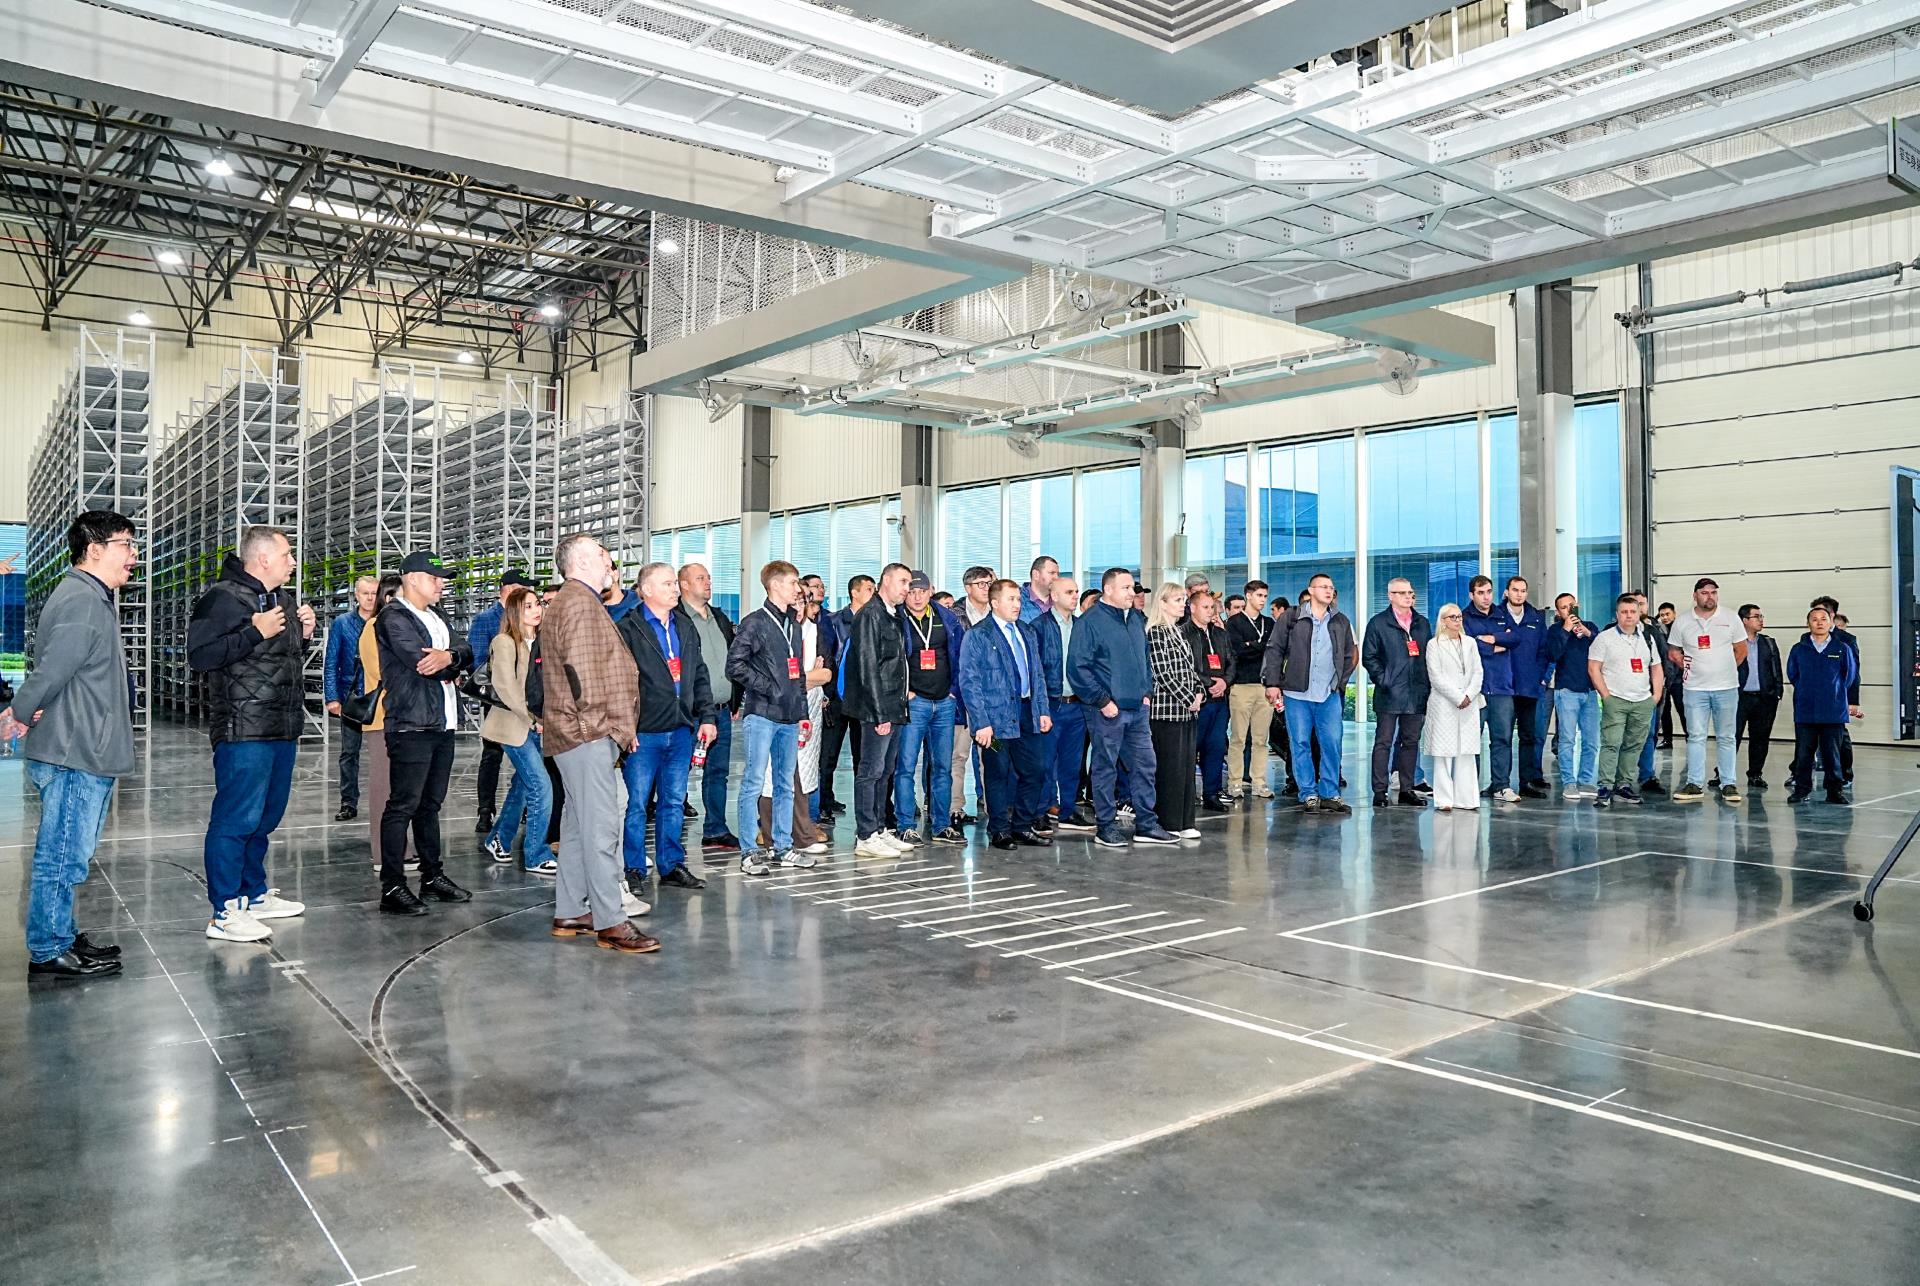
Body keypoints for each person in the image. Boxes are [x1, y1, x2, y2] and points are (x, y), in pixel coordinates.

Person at [3, 511, 139, 977]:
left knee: (69, 853)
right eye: (125, 545)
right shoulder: (83, 600)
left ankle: (60, 932)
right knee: (61, 854)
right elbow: (52, 670)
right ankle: (48, 948)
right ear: (94, 550)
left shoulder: (91, 597)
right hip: (75, 752)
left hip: (83, 747)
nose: (133, 556)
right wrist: (20, 713)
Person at [188, 525, 315, 943]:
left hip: (281, 726)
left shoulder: (283, 599)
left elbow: (275, 661)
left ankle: (253, 894)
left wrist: (303, 635)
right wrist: (253, 632)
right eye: (287, 554)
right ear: (262, 559)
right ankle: (225, 911)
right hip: (244, 729)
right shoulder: (222, 598)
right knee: (236, 819)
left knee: (265, 817)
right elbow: (200, 656)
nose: (292, 562)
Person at [543, 535, 657, 951]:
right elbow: (585, 678)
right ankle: (610, 920)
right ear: (582, 563)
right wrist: (607, 729)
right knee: (601, 829)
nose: (610, 563)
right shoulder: (579, 604)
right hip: (587, 734)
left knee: (578, 825)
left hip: (579, 733)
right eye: (602, 555)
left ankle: (571, 909)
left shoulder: (577, 601)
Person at [370, 551, 475, 916]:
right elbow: (422, 663)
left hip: (442, 723)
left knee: (430, 805)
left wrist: (451, 657)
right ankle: (392, 886)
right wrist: (450, 662)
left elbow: (466, 649)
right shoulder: (393, 618)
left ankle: (432, 876)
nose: (441, 583)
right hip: (411, 724)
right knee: (403, 805)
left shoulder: (437, 614)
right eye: (435, 577)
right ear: (412, 579)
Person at [617, 562, 719, 894]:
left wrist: (707, 717)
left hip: (680, 730)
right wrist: (625, 727)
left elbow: (699, 673)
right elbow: (619, 684)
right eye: (667, 584)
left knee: (673, 801)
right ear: (646, 590)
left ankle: (671, 864)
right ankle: (633, 868)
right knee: (636, 804)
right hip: (643, 733)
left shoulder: (684, 626)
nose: (675, 589)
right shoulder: (628, 628)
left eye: (675, 583)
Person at [1069, 567, 1178, 848]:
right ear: (1108, 590)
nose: (1132, 593)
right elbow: (1078, 668)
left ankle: (1147, 824)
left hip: (1137, 709)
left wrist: (1146, 692)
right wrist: (1103, 701)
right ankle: (1105, 826)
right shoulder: (1090, 622)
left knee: (1145, 765)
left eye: (1133, 588)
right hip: (1106, 711)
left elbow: (1145, 659)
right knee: (1105, 768)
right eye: (1126, 588)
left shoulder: (1136, 619)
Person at [727, 560, 813, 874]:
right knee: (753, 782)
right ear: (775, 585)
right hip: (762, 715)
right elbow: (734, 665)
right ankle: (749, 851)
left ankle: (783, 846)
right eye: (793, 583)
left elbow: (797, 672)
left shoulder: (793, 624)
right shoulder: (754, 623)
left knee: (785, 784)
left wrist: (803, 712)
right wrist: (770, 688)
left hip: (789, 717)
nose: (798, 589)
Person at [961, 578, 1055, 849]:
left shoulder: (1026, 631)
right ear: (994, 603)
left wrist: (1042, 710)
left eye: (1018, 599)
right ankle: (1000, 830)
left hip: (1026, 713)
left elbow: (1037, 674)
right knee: (998, 773)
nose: (1017, 604)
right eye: (1011, 599)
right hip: (995, 721)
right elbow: (969, 682)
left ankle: (1022, 826)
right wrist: (981, 722)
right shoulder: (978, 635)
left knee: (1035, 770)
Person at [1263, 573, 1357, 816]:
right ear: (1311, 590)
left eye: (1331, 587)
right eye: (1324, 586)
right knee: (1300, 743)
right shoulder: (1291, 617)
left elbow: (1349, 654)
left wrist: (1339, 682)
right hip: (1296, 694)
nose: (1329, 590)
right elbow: (1274, 650)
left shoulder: (1341, 621)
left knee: (1332, 743)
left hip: (1328, 694)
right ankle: (1308, 793)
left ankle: (1330, 793)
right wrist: (1273, 683)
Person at [481, 586, 556, 875]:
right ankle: (536, 854)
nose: (537, 610)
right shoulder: (505, 642)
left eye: (538, 604)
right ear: (514, 611)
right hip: (514, 726)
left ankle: (499, 838)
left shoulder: (540, 641)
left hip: (536, 725)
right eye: (528, 606)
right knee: (541, 786)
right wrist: (531, 719)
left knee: (523, 787)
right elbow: (506, 687)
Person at [842, 562, 911, 858]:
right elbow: (867, 666)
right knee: (870, 771)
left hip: (894, 705)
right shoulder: (870, 614)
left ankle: (881, 828)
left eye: (909, 583)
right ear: (886, 580)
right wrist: (880, 713)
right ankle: (866, 834)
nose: (907, 589)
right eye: (903, 582)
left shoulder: (894, 614)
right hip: (877, 709)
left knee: (886, 771)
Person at [893, 570, 966, 845]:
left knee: (942, 768)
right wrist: (904, 692)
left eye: (922, 591)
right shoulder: (897, 619)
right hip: (915, 703)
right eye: (911, 591)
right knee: (906, 766)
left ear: (930, 591)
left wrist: (953, 691)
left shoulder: (946, 618)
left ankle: (941, 825)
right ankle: (905, 825)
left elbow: (958, 655)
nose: (917, 597)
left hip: (944, 702)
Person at [678, 562, 742, 854]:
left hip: (721, 710)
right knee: (679, 772)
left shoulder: (719, 617)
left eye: (709, 578)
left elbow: (733, 659)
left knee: (718, 772)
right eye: (700, 578)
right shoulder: (677, 618)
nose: (708, 582)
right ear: (684, 584)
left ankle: (715, 829)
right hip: (689, 712)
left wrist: (734, 699)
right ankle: (670, 833)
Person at [1667, 576, 1747, 804]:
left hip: (1726, 688)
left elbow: (1741, 650)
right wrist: (1690, 668)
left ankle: (1728, 783)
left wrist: (1723, 669)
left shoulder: (1730, 617)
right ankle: (1694, 783)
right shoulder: (1683, 621)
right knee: (1695, 736)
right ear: (1695, 596)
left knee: (1727, 737)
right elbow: (1673, 651)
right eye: (1704, 593)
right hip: (1694, 689)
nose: (1709, 596)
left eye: (1713, 592)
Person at [467, 570, 536, 835]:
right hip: (497, 703)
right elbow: (476, 660)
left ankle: (523, 808)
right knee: (492, 756)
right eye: (522, 587)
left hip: (527, 704)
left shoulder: (531, 621)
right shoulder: (486, 619)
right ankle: (486, 810)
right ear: (506, 589)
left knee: (528, 759)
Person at [1588, 593, 1664, 809]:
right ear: (1617, 614)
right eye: (1624, 612)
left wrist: (1655, 696)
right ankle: (1605, 786)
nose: (1628, 616)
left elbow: (1656, 667)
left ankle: (1624, 785)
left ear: (1639, 614)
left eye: (1632, 612)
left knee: (1634, 745)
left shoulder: (1648, 638)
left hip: (1642, 701)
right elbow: (1593, 668)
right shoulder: (1604, 638)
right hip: (1616, 700)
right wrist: (1606, 696)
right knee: (1611, 743)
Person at [1362, 577, 1430, 807]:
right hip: (1389, 694)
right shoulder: (1378, 623)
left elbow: (1428, 656)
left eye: (1411, 593)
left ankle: (1406, 789)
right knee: (1384, 742)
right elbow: (1369, 657)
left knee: (1410, 742)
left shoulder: (1422, 623)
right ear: (1390, 596)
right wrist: (1384, 680)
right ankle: (1380, 791)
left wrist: (1425, 686)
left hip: (1416, 693)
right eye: (1402, 593)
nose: (1408, 597)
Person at [1145, 583, 1205, 839]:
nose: (1183, 604)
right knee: (1170, 769)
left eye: (1183, 600)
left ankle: (1184, 821)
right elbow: (1162, 673)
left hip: (1187, 712)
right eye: (1178, 600)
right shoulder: (1156, 633)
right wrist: (1188, 697)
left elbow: (1191, 670)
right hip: (1166, 712)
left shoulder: (1178, 632)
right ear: (1163, 603)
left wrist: (1199, 692)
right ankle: (1168, 821)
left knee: (1186, 768)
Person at [1032, 575, 1089, 829]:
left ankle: (1068, 810)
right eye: (1069, 592)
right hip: (1051, 704)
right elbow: (1035, 670)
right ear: (1054, 596)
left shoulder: (1081, 626)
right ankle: (1041, 811)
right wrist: (1040, 706)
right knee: (1044, 763)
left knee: (1072, 762)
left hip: (1077, 704)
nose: (1075, 596)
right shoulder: (1039, 626)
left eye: (1076, 591)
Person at [1786, 605, 1858, 804]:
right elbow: (1793, 674)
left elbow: (1849, 676)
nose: (1819, 623)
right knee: (1803, 754)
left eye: (1823, 619)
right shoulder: (1798, 649)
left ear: (1831, 622)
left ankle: (1834, 791)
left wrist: (1833, 692)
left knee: (1832, 754)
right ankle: (1801, 790)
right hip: (1805, 710)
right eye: (1814, 619)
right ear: (1808, 623)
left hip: (1833, 710)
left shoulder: (1842, 648)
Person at [357, 573, 406, 866]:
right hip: (382, 720)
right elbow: (381, 672)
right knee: (383, 788)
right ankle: (383, 853)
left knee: (404, 789)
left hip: (404, 717)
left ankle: (404, 848)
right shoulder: (373, 628)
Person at [819, 572, 876, 818]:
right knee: (828, 754)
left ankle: (866, 810)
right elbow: (828, 656)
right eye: (869, 589)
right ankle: (822, 803)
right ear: (855, 592)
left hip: (863, 699)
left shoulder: (875, 621)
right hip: (837, 697)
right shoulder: (833, 621)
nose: (873, 593)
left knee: (862, 757)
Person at [1459, 575, 1520, 804]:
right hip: (1476, 689)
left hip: (1502, 687)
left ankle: (1501, 786)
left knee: (1503, 738)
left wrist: (1491, 638)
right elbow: (1468, 646)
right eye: (1481, 593)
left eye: (1489, 592)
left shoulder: (1502, 614)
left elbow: (1516, 638)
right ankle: (1469, 788)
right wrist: (1497, 645)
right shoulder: (1464, 617)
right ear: (1471, 595)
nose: (1486, 597)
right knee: (1471, 741)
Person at [322, 574, 378, 821]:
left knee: (384, 752)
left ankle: (386, 800)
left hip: (380, 695)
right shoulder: (342, 623)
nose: (370, 598)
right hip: (352, 696)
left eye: (374, 593)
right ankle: (348, 802)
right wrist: (332, 697)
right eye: (365, 593)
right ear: (356, 595)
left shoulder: (384, 621)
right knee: (349, 752)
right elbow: (331, 662)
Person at [1423, 604, 1483, 812]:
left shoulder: (1470, 643)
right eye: (1452, 617)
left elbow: (1478, 672)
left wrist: (1469, 695)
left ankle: (1466, 799)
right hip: (1444, 703)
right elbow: (1436, 676)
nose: (1457, 620)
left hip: (1469, 703)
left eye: (1459, 617)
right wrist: (1457, 697)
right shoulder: (1434, 644)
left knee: (1466, 751)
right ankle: (1444, 799)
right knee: (1443, 753)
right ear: (1443, 621)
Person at [949, 565, 996, 826]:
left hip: (992, 700)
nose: (986, 588)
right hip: (962, 699)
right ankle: (955, 808)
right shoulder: (953, 616)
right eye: (981, 584)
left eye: (989, 583)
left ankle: (995, 807)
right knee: (958, 756)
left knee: (992, 756)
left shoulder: (997, 613)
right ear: (968, 587)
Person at [1544, 593, 1600, 799]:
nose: (1569, 610)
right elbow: (1553, 654)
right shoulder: (1555, 630)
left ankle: (1586, 780)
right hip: (1566, 691)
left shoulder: (1590, 627)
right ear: (1558, 612)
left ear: (1578, 605)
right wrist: (1566, 630)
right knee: (1567, 740)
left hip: (1589, 691)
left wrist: (1587, 633)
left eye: (1571, 605)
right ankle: (1569, 782)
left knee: (1591, 740)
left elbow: (1602, 647)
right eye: (1564, 607)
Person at [1501, 577, 1552, 798]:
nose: (1519, 594)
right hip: (1503, 688)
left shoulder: (1536, 618)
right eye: (1515, 590)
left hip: (1529, 687)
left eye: (1523, 590)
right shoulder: (1496, 615)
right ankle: (1500, 784)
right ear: (1507, 592)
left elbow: (1544, 651)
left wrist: (1541, 678)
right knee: (1501, 738)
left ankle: (1527, 782)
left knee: (1528, 736)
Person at [1225, 579, 1275, 799]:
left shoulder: (1269, 623)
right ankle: (1235, 781)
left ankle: (1259, 781)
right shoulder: (1234, 623)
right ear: (1248, 595)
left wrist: (1251, 644)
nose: (1262, 600)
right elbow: (1237, 651)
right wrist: (1259, 646)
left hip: (1264, 685)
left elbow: (1273, 650)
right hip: (1241, 685)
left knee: (1260, 739)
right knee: (1238, 737)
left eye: (1265, 596)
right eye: (1259, 595)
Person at [1184, 589, 1233, 811]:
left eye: (1212, 607)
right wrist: (1209, 683)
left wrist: (1225, 682)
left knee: (1215, 747)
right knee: (1191, 747)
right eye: (1205, 607)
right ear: (1192, 608)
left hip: (1220, 701)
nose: (1210, 611)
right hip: (1197, 701)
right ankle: (1186, 794)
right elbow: (1186, 667)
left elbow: (1232, 661)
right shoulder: (1183, 633)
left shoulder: (1220, 634)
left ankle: (1212, 793)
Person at [1811, 595, 1861, 785]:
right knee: (1808, 735)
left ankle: (1845, 774)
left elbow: (1853, 672)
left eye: (1821, 613)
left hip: (1837, 696)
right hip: (1814, 696)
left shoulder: (1846, 640)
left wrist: (1852, 701)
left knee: (1840, 736)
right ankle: (1801, 774)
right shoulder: (1807, 638)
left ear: (1831, 615)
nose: (1817, 618)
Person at [1735, 603, 1784, 791]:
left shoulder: (1768, 643)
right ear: (1744, 620)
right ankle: (1722, 773)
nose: (1761, 620)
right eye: (1756, 616)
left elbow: (1776, 669)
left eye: (1761, 616)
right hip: (1739, 697)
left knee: (1760, 738)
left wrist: (1777, 692)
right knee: (1732, 737)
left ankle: (1755, 774)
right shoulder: (1734, 643)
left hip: (1764, 699)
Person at [1630, 591, 1670, 795]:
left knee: (1649, 735)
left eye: (1642, 604)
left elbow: (1663, 661)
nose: (1638, 608)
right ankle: (1619, 777)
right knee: (1621, 737)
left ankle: (1647, 775)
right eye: (1634, 603)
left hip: (1649, 694)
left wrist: (1659, 691)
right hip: (1622, 694)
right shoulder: (1611, 631)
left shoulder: (1653, 632)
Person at [1655, 601, 1686, 747]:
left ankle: (1690, 737)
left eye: (1667, 614)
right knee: (1665, 710)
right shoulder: (1658, 631)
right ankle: (1667, 739)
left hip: (1679, 677)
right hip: (1664, 676)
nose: (1665, 617)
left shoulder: (1681, 630)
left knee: (1682, 708)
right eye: (1662, 615)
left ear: (1674, 614)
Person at [1020, 555, 1059, 622]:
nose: (1056, 578)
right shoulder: (1017, 600)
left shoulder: (1059, 602)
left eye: (1058, 574)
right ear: (1036, 575)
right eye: (1052, 573)